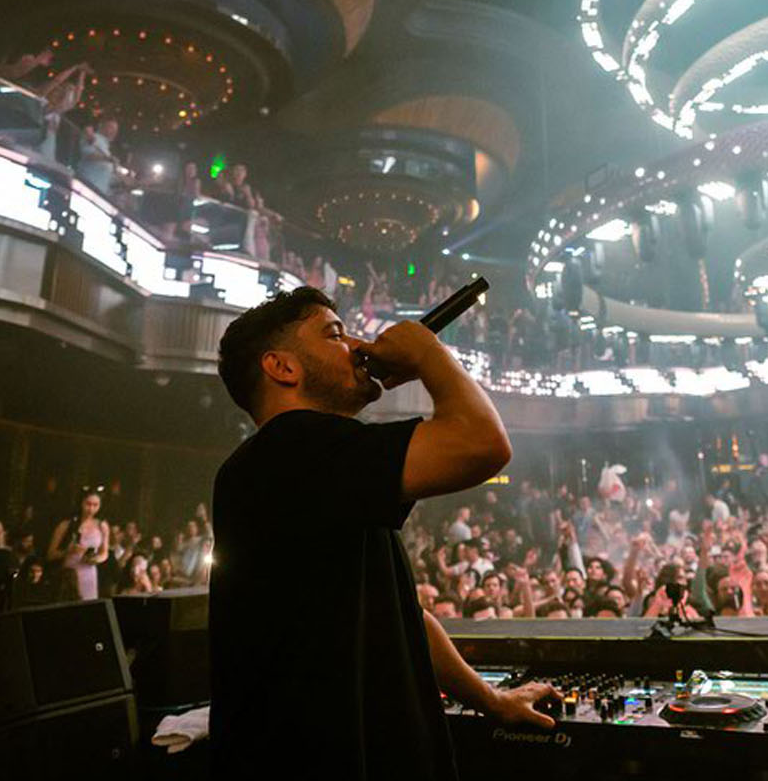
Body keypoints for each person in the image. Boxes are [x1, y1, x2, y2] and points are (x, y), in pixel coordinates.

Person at [209, 287, 556, 780]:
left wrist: (493, 700)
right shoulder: (291, 447)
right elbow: (482, 443)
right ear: (282, 367)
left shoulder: (307, 466)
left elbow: (402, 616)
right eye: (334, 333)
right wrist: (427, 352)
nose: (357, 345)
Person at [48, 488, 110, 600]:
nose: (91, 509)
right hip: (70, 572)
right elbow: (51, 554)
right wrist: (68, 551)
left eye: (95, 505)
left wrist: (96, 559)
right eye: (88, 504)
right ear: (81, 502)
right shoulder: (66, 525)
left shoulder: (102, 525)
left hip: (89, 571)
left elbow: (104, 552)